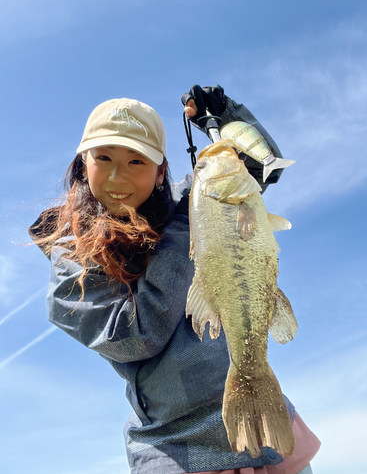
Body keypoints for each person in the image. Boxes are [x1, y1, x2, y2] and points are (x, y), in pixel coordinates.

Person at [29, 85, 320, 474]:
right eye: (104, 158)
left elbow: (258, 165)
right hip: (177, 452)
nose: (119, 176)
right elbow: (134, 337)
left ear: (161, 169)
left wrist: (228, 116)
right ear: (83, 163)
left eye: (137, 162)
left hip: (267, 429)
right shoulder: (73, 263)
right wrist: (191, 227)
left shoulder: (200, 195)